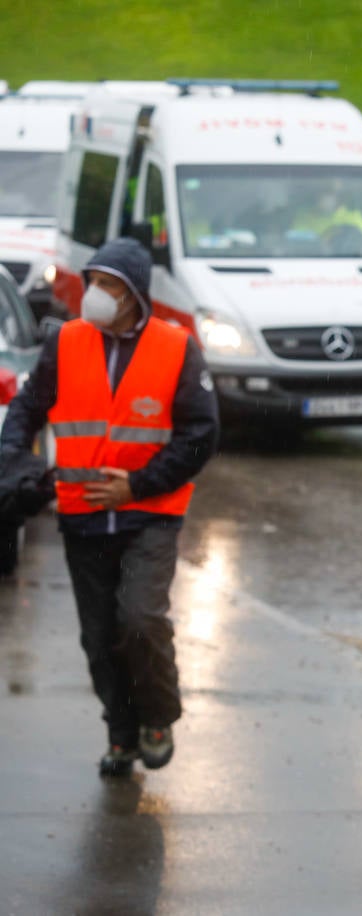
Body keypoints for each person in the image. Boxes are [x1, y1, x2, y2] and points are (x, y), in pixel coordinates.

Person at [0, 237, 219, 777]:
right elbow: (27, 410)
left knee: (140, 619)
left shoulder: (176, 347)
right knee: (99, 637)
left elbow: (200, 434)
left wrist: (139, 485)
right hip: (82, 515)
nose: (96, 294)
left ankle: (158, 718)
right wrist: (17, 464)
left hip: (151, 514)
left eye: (110, 286)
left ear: (135, 296)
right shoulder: (65, 341)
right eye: (94, 282)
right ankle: (120, 735)